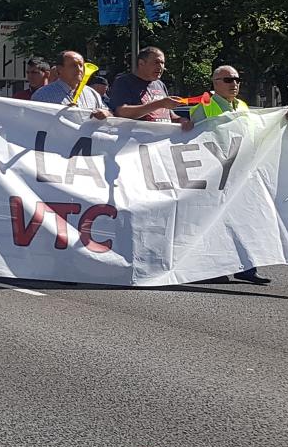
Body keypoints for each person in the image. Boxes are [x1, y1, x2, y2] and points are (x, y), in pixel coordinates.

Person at [191, 65, 271, 285]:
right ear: (215, 82)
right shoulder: (205, 104)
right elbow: (196, 133)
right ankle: (213, 269)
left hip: (241, 171)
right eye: (227, 79)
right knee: (215, 221)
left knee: (245, 219)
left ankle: (247, 266)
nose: (234, 83)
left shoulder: (242, 105)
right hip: (215, 171)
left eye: (236, 79)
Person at [107, 46, 186, 124]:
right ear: (141, 63)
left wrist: (180, 120)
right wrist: (159, 104)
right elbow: (121, 112)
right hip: (137, 135)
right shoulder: (124, 82)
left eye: (162, 63)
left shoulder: (160, 84)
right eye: (156, 62)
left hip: (163, 135)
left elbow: (168, 115)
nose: (160, 67)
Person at [31, 51, 109, 119]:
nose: (79, 70)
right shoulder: (42, 95)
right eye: (73, 65)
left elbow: (110, 115)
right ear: (59, 69)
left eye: (81, 65)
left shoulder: (92, 93)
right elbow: (35, 124)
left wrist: (106, 114)